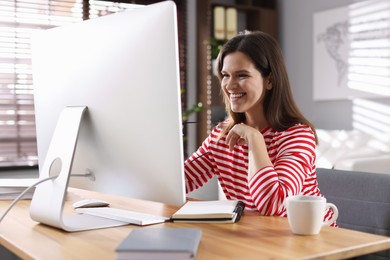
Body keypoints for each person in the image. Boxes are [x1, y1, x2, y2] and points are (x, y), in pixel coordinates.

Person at [184, 30, 335, 223]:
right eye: (225, 75)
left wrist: (255, 139)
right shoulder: (222, 136)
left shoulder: (297, 136)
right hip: (257, 238)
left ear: (269, 80)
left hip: (313, 241)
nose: (229, 85)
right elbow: (179, 184)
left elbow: (274, 205)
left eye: (241, 75)